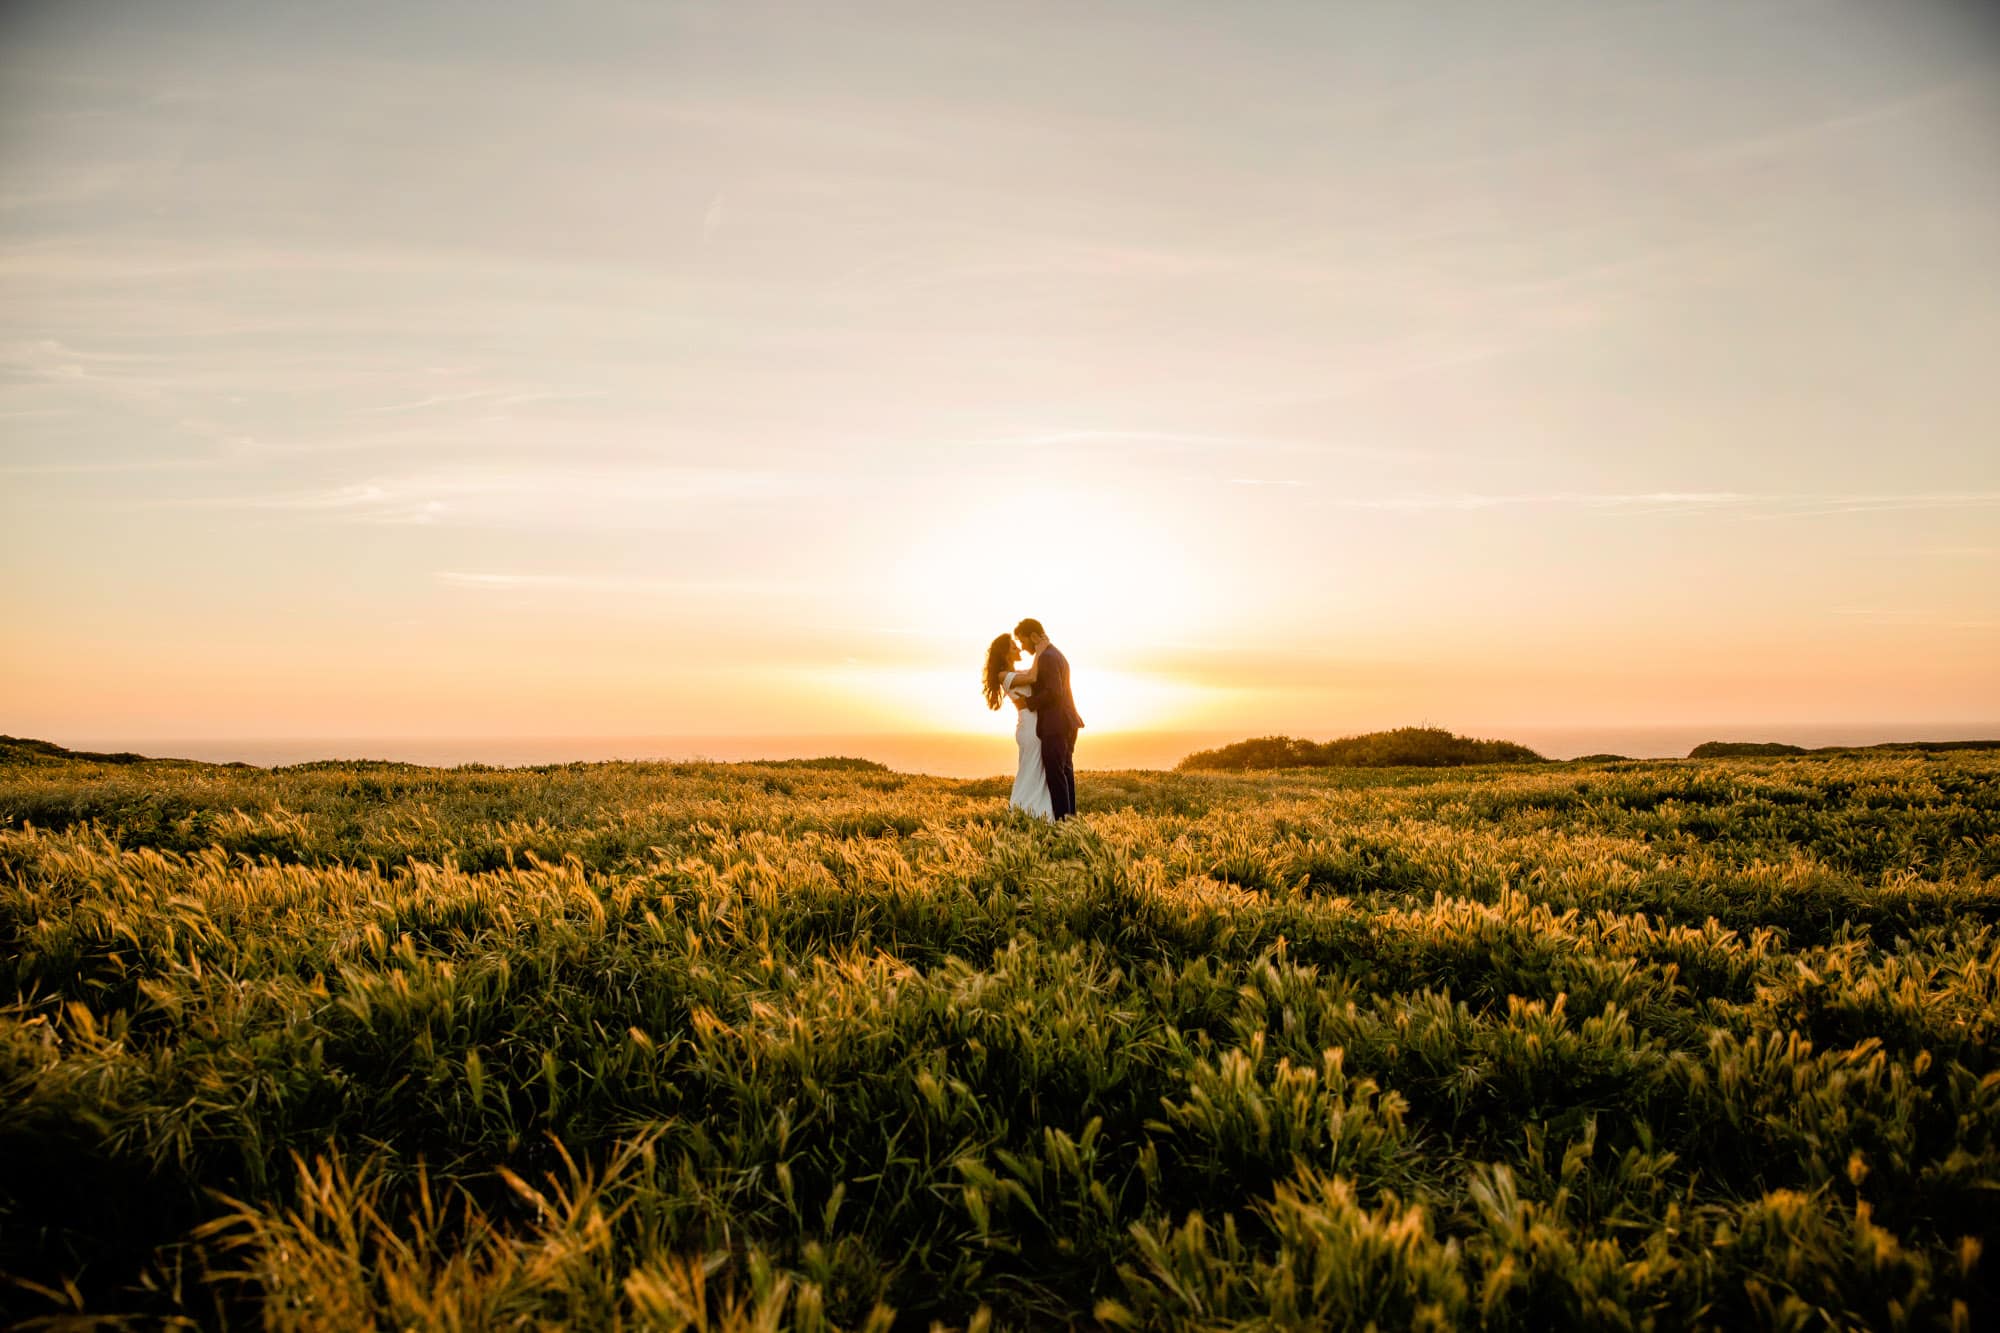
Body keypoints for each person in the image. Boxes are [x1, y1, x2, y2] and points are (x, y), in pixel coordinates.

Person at [1001, 618, 1083, 820]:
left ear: (1034, 637)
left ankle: (1064, 822)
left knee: (1056, 776)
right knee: (1065, 773)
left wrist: (1028, 703)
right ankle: (1070, 819)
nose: (1022, 646)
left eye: (1022, 641)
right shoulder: (1054, 654)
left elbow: (1053, 692)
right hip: (1066, 722)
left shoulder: (1047, 657)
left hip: (1055, 725)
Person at [983, 633, 1052, 819]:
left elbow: (1033, 673)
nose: (1020, 648)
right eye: (1014, 647)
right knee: (1031, 770)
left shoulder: (1015, 672)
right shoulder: (1003, 675)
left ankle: (1037, 812)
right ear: (1005, 654)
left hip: (1033, 724)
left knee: (1036, 770)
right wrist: (1039, 652)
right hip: (1029, 728)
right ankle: (1023, 810)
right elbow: (1033, 676)